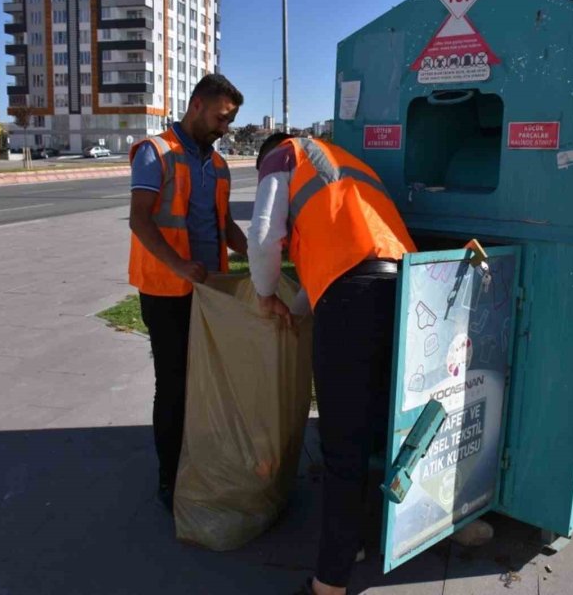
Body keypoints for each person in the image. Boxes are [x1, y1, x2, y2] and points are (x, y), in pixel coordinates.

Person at [247, 133, 417, 595]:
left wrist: (264, 295)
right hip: (408, 287)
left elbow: (262, 238)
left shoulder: (283, 155)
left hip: (353, 299)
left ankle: (329, 583)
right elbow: (342, 255)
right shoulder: (341, 165)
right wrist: (297, 310)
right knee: (383, 424)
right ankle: (360, 539)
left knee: (343, 444)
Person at [127, 74, 248, 511]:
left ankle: (201, 460)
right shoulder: (155, 152)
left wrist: (261, 253)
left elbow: (225, 226)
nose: (225, 128)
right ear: (197, 105)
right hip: (166, 291)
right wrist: (178, 264)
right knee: (174, 384)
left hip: (210, 291)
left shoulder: (218, 165)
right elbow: (140, 220)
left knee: (208, 380)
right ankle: (170, 477)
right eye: (221, 117)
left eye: (230, 120)